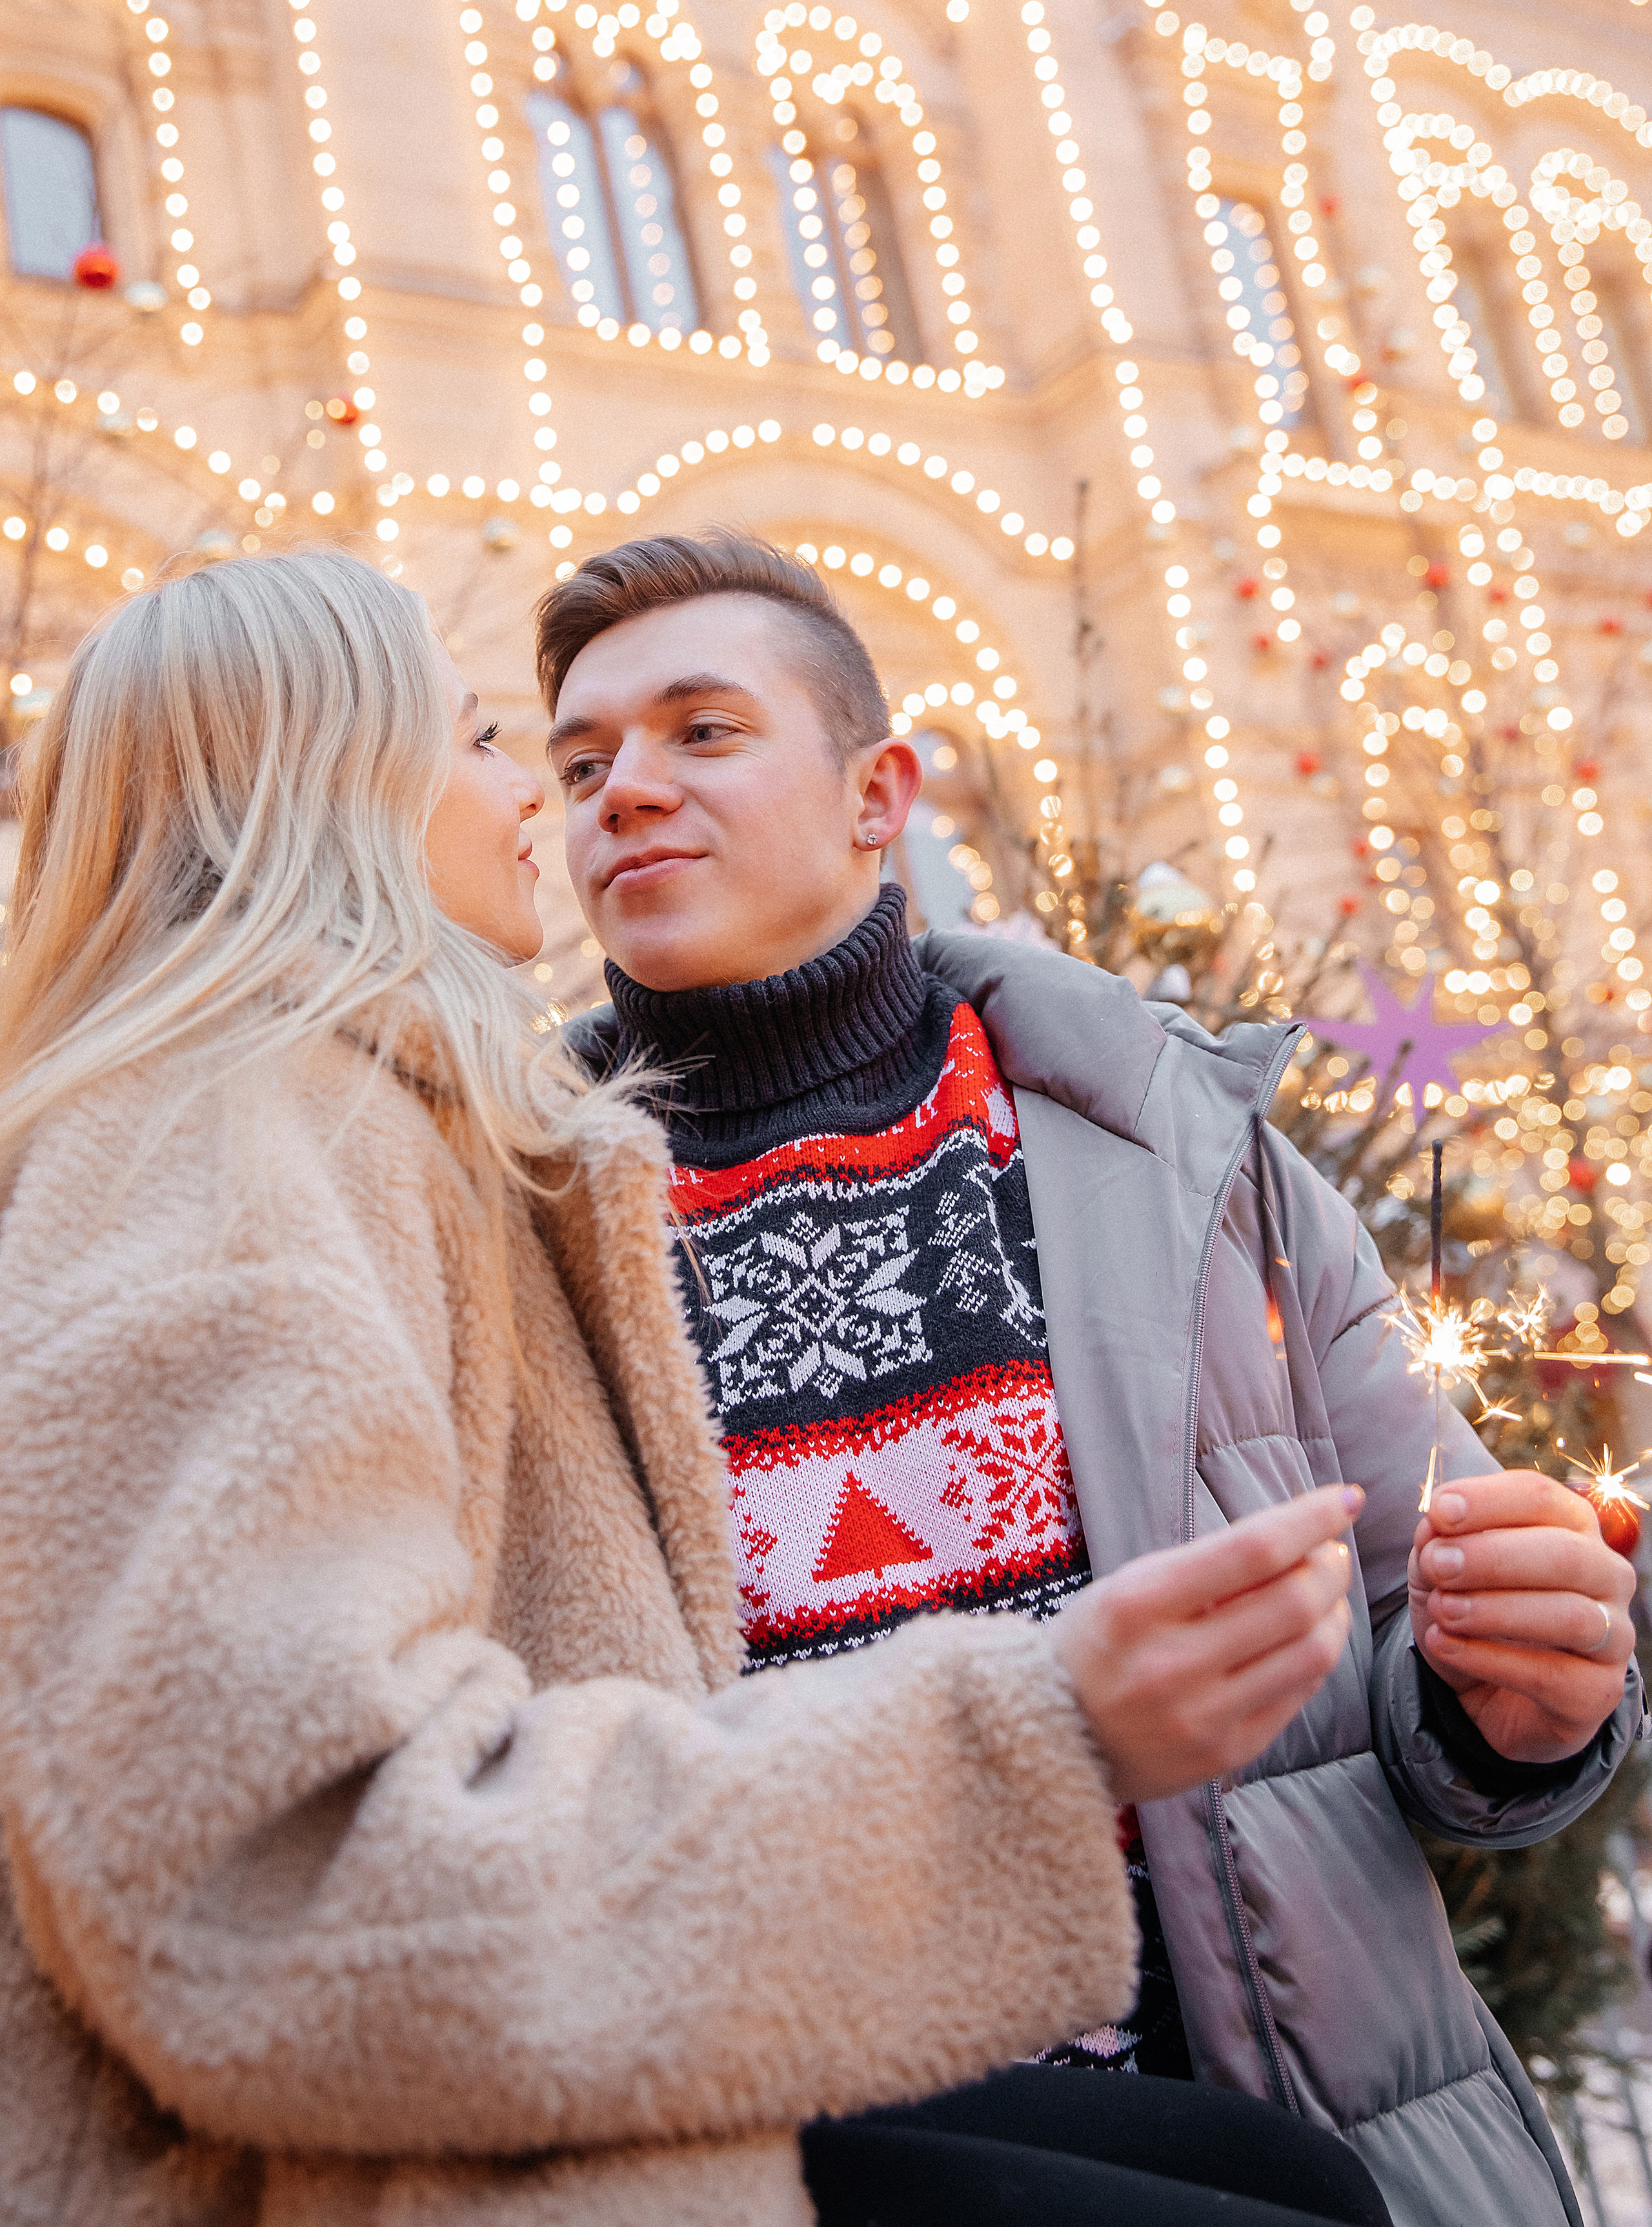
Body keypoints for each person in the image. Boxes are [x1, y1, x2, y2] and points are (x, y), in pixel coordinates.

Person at [0, 547, 1388, 2227]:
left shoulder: (412, 1139)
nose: (571, 802)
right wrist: (1030, 1731)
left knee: (1292, 2178)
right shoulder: (222, 1154)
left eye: (699, 734)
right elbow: (272, 1876)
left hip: (582, 2059)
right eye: (512, 749)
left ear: (886, 797)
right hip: (420, 2133)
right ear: (328, 780)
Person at [541, 529, 1647, 2227]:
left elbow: (1439, 1664)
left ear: (877, 794)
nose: (624, 789)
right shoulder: (502, 1227)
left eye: (703, 731)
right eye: (580, 759)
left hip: (1264, 2119)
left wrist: (1525, 1701)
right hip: (764, 2150)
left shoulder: (1185, 1159)